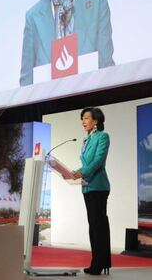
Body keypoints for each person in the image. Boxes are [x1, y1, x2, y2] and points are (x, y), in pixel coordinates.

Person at [20, 0, 115, 86]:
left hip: (92, 96)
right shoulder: (33, 17)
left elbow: (105, 63)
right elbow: (26, 84)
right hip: (51, 101)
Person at [72, 107, 111, 275]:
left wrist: (83, 172)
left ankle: (100, 263)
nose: (83, 121)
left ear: (96, 121)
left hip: (99, 187)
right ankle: (97, 262)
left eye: (87, 118)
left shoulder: (103, 136)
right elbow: (87, 163)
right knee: (93, 226)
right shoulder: (87, 140)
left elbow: (98, 161)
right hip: (87, 187)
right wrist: (74, 172)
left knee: (99, 226)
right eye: (82, 118)